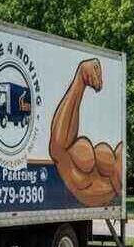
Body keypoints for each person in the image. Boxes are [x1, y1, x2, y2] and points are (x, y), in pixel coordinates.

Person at [49, 58, 123, 206]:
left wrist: (80, 80)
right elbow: (58, 147)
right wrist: (80, 80)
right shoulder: (72, 166)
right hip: (93, 188)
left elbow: (58, 148)